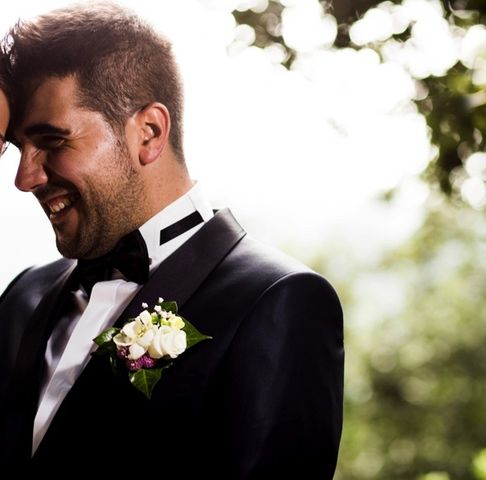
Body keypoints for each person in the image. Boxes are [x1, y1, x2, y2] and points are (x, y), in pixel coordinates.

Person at [0, 2, 344, 475]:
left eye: (53, 142)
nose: (24, 178)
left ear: (149, 132)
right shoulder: (23, 294)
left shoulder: (279, 301)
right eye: (18, 149)